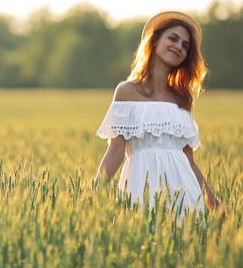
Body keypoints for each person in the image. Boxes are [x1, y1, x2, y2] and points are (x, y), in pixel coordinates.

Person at [93, 11, 225, 219]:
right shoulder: (127, 91)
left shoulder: (183, 99)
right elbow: (116, 151)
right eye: (173, 38)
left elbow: (188, 161)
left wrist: (213, 202)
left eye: (185, 45)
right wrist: (94, 194)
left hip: (184, 192)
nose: (179, 47)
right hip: (140, 186)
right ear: (154, 41)